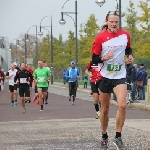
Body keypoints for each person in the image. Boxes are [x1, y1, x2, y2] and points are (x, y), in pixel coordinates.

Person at [91, 11, 133, 149]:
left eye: (116, 22)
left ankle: (118, 137)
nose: (114, 24)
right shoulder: (100, 38)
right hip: (104, 76)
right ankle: (104, 136)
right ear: (107, 22)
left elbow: (127, 48)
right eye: (112, 21)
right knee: (105, 109)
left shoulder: (125, 35)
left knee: (122, 105)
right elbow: (94, 59)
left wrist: (130, 56)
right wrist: (104, 58)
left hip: (120, 75)